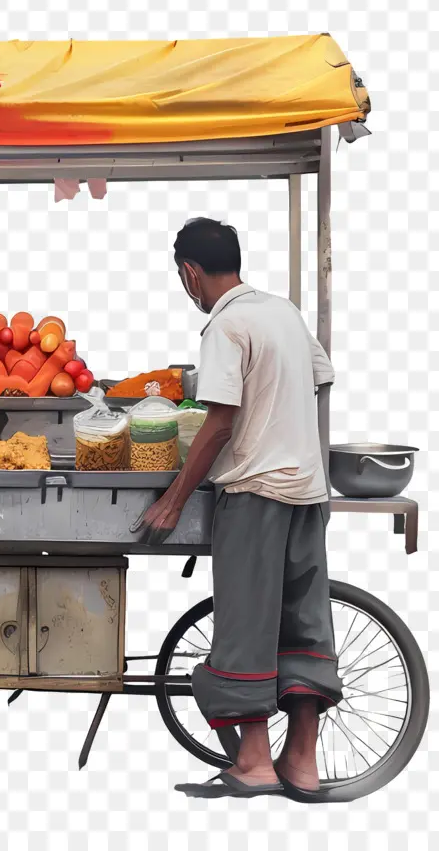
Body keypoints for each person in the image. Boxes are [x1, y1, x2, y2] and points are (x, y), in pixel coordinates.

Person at [137, 217, 342, 801]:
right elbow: (321, 377)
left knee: (246, 629)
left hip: (254, 496)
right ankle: (301, 765)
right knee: (304, 626)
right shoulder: (283, 312)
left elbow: (221, 421)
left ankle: (253, 762)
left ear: (190, 272)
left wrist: (173, 501)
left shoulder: (224, 325)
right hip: (308, 492)